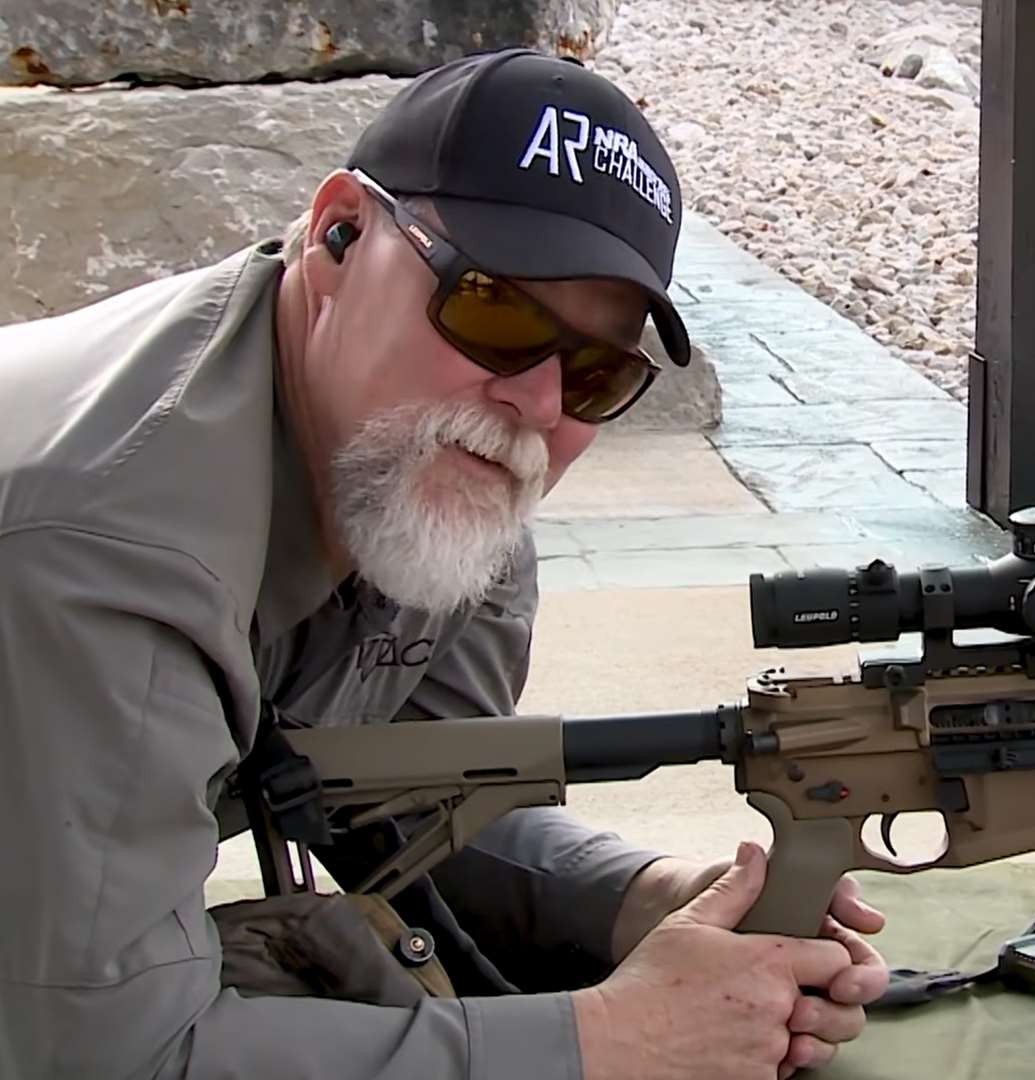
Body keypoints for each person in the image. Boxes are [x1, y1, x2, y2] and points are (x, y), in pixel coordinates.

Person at [0, 47, 888, 1080]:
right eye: (496, 312)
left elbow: (415, 810)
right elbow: (101, 1052)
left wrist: (643, 902)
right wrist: (615, 1041)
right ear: (337, 239)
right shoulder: (105, 551)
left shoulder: (427, 468)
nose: (539, 405)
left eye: (597, 372)